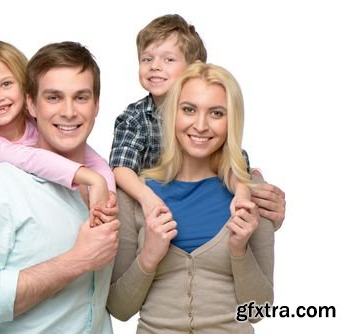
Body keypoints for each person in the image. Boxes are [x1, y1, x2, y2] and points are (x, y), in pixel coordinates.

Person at [0, 41, 119, 333]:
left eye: (81, 97)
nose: (68, 112)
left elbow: (109, 303)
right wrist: (75, 262)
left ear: (96, 105)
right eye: (53, 97)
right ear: (32, 103)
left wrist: (106, 189)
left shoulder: (97, 193)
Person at [107, 62, 274, 333]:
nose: (200, 125)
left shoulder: (252, 196)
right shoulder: (134, 196)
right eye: (189, 110)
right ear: (172, 113)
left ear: (232, 121)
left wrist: (239, 250)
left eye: (216, 113)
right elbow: (119, 309)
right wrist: (149, 256)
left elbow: (260, 309)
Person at [109, 14, 285, 228]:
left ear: (195, 68)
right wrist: (148, 199)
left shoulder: (213, 107)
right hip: (151, 212)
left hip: (200, 207)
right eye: (147, 59)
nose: (155, 66)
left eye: (168, 59)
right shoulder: (135, 117)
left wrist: (243, 190)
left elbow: (231, 158)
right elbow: (120, 167)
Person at [0, 38, 116, 225]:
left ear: (24, 86)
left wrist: (108, 195)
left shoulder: (35, 122)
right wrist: (90, 177)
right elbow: (30, 159)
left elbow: (92, 158)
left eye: (6, 84)